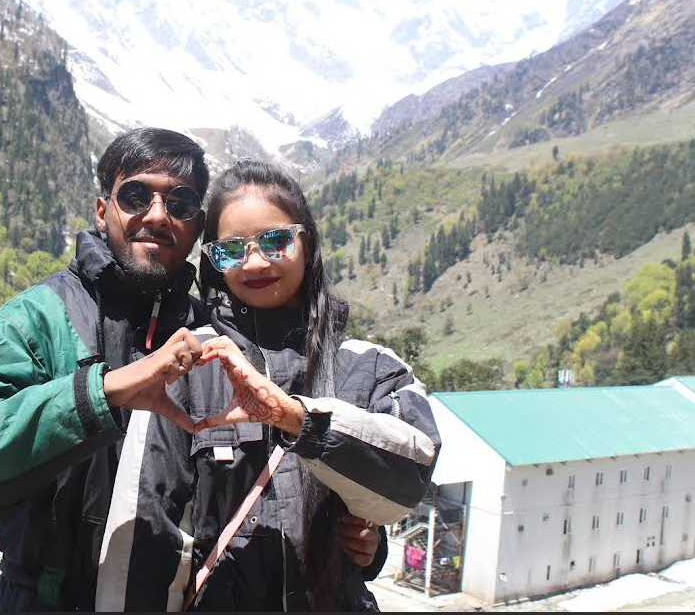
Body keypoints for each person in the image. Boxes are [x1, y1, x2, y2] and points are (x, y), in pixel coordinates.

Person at [95, 160, 441, 611]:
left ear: (307, 243)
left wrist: (297, 421)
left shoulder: (370, 367)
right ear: (214, 261)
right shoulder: (187, 367)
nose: (254, 262)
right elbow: (144, 537)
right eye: (230, 250)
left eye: (276, 241)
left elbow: (412, 475)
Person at [0, 127, 212, 610]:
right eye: (136, 196)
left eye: (180, 203)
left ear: (197, 226)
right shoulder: (38, 316)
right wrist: (101, 395)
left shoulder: (211, 339)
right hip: (40, 599)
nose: (158, 215)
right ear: (102, 211)